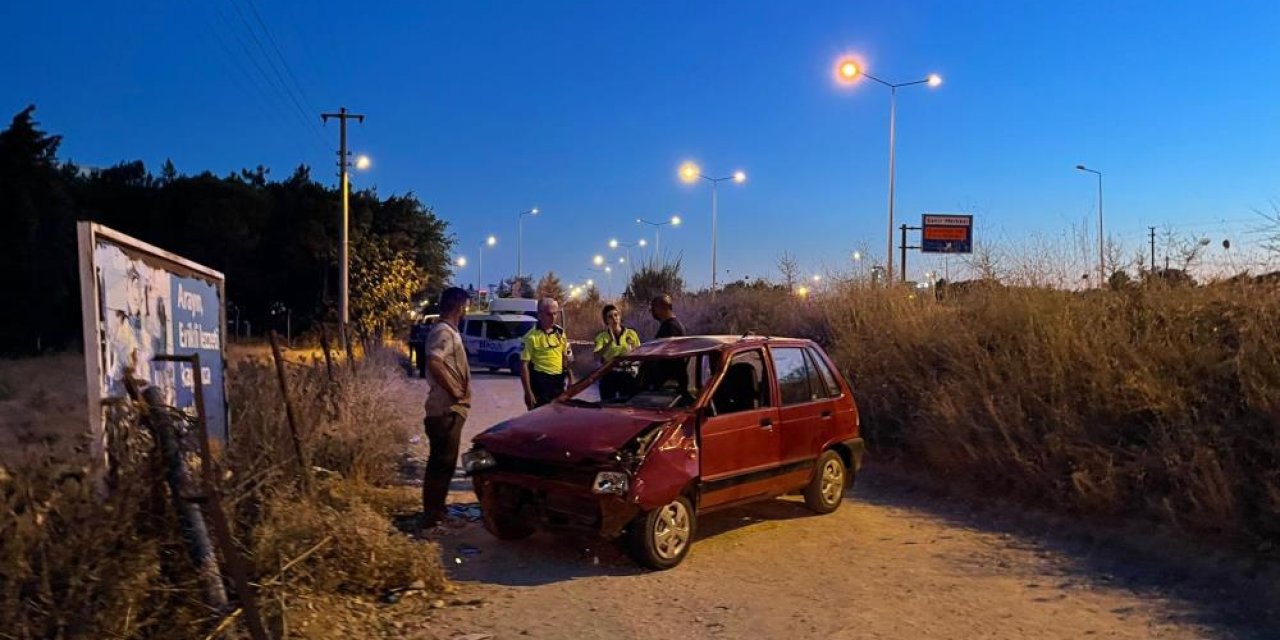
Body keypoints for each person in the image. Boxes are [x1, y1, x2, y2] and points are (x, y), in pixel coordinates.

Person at [421, 287, 472, 529]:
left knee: (444, 464)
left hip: (448, 410)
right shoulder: (443, 332)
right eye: (465, 306)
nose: (466, 311)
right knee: (441, 464)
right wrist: (456, 391)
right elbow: (434, 361)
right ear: (458, 306)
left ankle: (436, 512)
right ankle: (433, 516)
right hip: (445, 410)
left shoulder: (449, 332)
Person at [521, 297, 574, 409]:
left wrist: (571, 378)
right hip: (540, 385)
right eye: (549, 314)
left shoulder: (560, 333)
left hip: (558, 384)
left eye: (555, 314)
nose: (553, 318)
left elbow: (566, 357)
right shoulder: (531, 336)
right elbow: (524, 365)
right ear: (540, 315)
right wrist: (528, 392)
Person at [593, 304, 641, 401]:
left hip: (627, 374)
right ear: (606, 320)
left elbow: (640, 352)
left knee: (628, 405)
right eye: (610, 317)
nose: (614, 318)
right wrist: (609, 343)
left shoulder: (631, 334)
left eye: (616, 315)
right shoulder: (602, 336)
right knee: (608, 406)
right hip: (609, 374)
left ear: (620, 316)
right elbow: (596, 356)